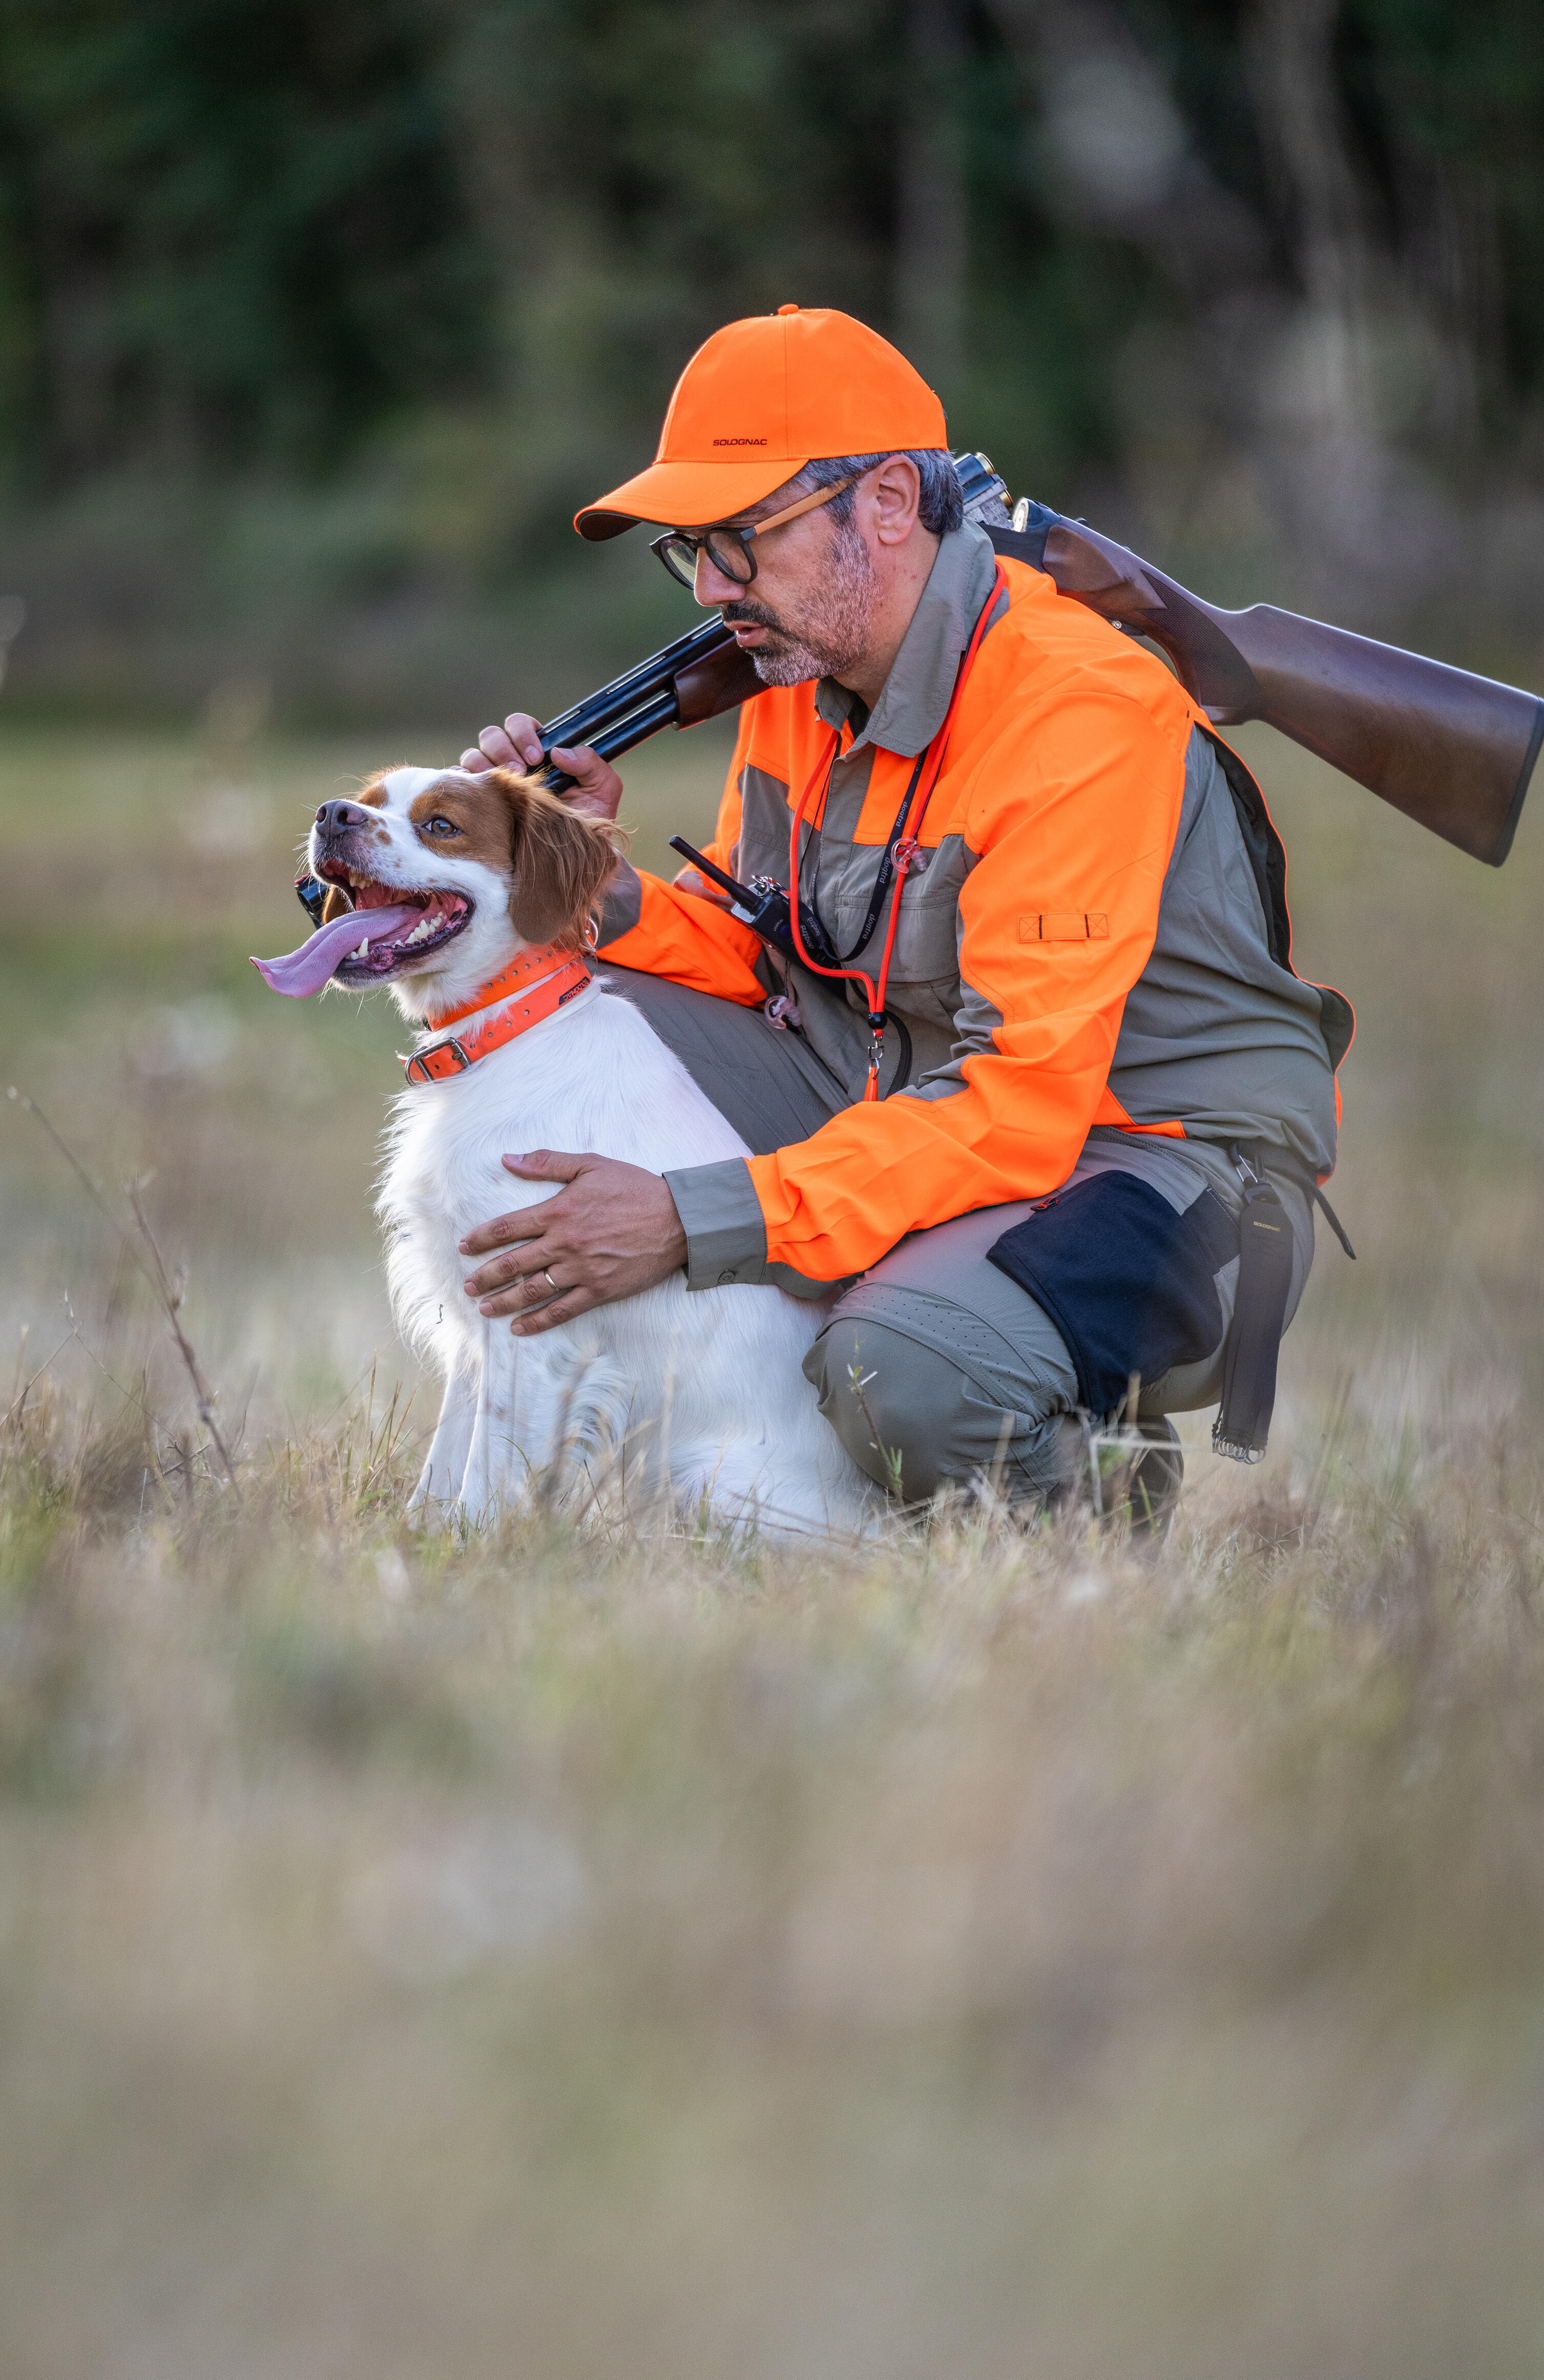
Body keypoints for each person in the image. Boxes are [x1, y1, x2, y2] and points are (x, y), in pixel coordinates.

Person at [455, 304, 1349, 1508]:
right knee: (583, 1017)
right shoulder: (799, 668)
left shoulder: (1076, 712)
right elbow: (763, 957)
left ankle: (1084, 1500)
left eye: (737, 539)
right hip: (915, 1088)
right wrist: (589, 884)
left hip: (1158, 1168)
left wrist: (691, 1216)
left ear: (883, 504)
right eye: (689, 551)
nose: (711, 586)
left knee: (905, 1372)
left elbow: (1023, 1106)